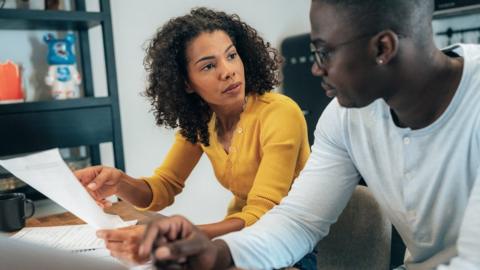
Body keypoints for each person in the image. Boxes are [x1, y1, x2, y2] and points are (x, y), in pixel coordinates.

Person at [137, 0, 480, 269]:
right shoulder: (344, 118)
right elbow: (299, 221)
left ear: (382, 48)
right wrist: (219, 254)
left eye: (324, 51)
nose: (316, 67)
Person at [74, 7, 313, 268]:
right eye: (209, 65)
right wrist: (119, 182)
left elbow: (265, 212)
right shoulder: (202, 123)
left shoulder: (280, 113)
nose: (228, 71)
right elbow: (164, 187)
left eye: (231, 56)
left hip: (298, 247)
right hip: (242, 239)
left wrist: (184, 236)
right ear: (186, 83)